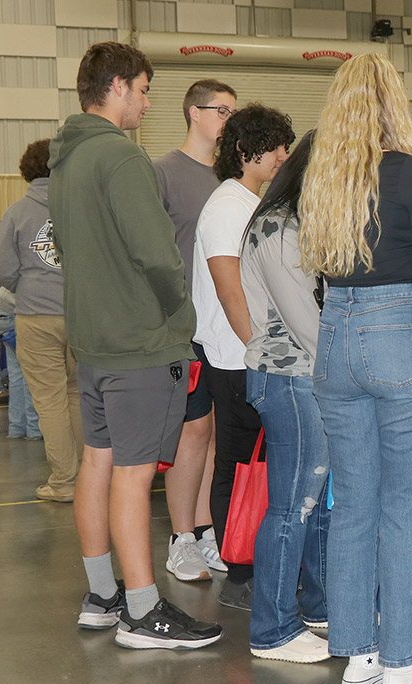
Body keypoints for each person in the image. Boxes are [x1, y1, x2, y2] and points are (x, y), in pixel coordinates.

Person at [299, 53, 412, 684]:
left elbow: (321, 276)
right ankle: (402, 660)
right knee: (403, 506)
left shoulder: (326, 180)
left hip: (337, 341)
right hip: (401, 338)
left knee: (353, 505)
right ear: (393, 103)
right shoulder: (409, 173)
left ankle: (359, 656)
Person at [48, 41, 222, 648]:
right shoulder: (121, 159)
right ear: (118, 86)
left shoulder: (63, 162)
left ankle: (103, 595)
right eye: (144, 90)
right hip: (140, 344)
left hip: (93, 342)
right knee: (133, 472)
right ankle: (145, 612)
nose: (147, 104)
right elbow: (157, 254)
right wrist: (180, 313)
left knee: (98, 463)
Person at [192, 103, 294, 610]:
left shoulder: (249, 203)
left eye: (284, 144)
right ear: (242, 150)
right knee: (237, 463)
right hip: (237, 359)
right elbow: (232, 293)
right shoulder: (226, 208)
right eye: (273, 144)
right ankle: (239, 571)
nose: (282, 154)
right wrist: (262, 354)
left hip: (252, 354)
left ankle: (253, 562)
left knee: (256, 462)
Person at [240, 131, 330, 663]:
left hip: (306, 377)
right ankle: (273, 629)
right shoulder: (277, 226)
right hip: (290, 377)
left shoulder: (300, 222)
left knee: (315, 506)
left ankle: (317, 607)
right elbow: (307, 323)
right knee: (292, 506)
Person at [155, 79, 237, 582]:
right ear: (193, 112)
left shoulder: (232, 179)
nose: (228, 120)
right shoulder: (162, 172)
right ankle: (180, 538)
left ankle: (206, 532)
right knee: (192, 431)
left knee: (214, 436)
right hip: (182, 327)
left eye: (234, 111)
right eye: (221, 110)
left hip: (225, 327)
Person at [0, 139, 78, 495]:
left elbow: (3, 269)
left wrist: (27, 283)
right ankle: (90, 478)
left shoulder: (17, 212)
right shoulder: (80, 209)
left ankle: (65, 481)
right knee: (78, 395)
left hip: (35, 316)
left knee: (49, 401)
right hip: (79, 314)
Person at [0, 287, 41, 442]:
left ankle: (16, 428)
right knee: (31, 375)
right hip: (22, 309)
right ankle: (34, 430)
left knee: (16, 376)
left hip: (2, 310)